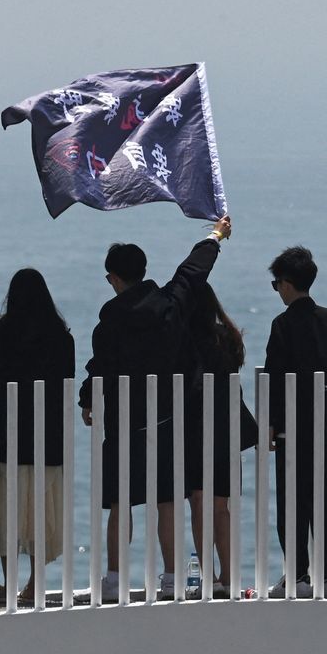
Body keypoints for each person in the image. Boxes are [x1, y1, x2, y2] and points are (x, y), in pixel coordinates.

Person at [79, 214, 232, 603]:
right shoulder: (169, 304)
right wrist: (216, 235)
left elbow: (100, 368)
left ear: (114, 277)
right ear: (143, 271)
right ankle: (170, 575)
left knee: (120, 502)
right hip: (164, 419)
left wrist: (85, 401)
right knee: (165, 501)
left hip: (122, 422)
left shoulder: (108, 323)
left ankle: (114, 578)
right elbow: (193, 271)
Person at [264, 245, 327, 599]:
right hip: (325, 425)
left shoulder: (283, 324)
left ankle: (297, 576)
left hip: (293, 428)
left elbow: (274, 375)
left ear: (286, 284)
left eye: (276, 284)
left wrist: (271, 423)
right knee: (326, 501)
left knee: (293, 503)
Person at [0, 268, 75, 605]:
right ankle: (36, 583)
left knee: (6, 512)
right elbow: (67, 379)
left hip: (6, 437)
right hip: (47, 436)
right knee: (40, 512)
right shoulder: (61, 336)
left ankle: (9, 585)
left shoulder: (0, 333)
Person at [183, 282, 258, 597]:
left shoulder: (186, 340)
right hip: (227, 426)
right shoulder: (228, 336)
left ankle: (209, 575)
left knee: (200, 504)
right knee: (221, 506)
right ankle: (228, 575)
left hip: (198, 427)